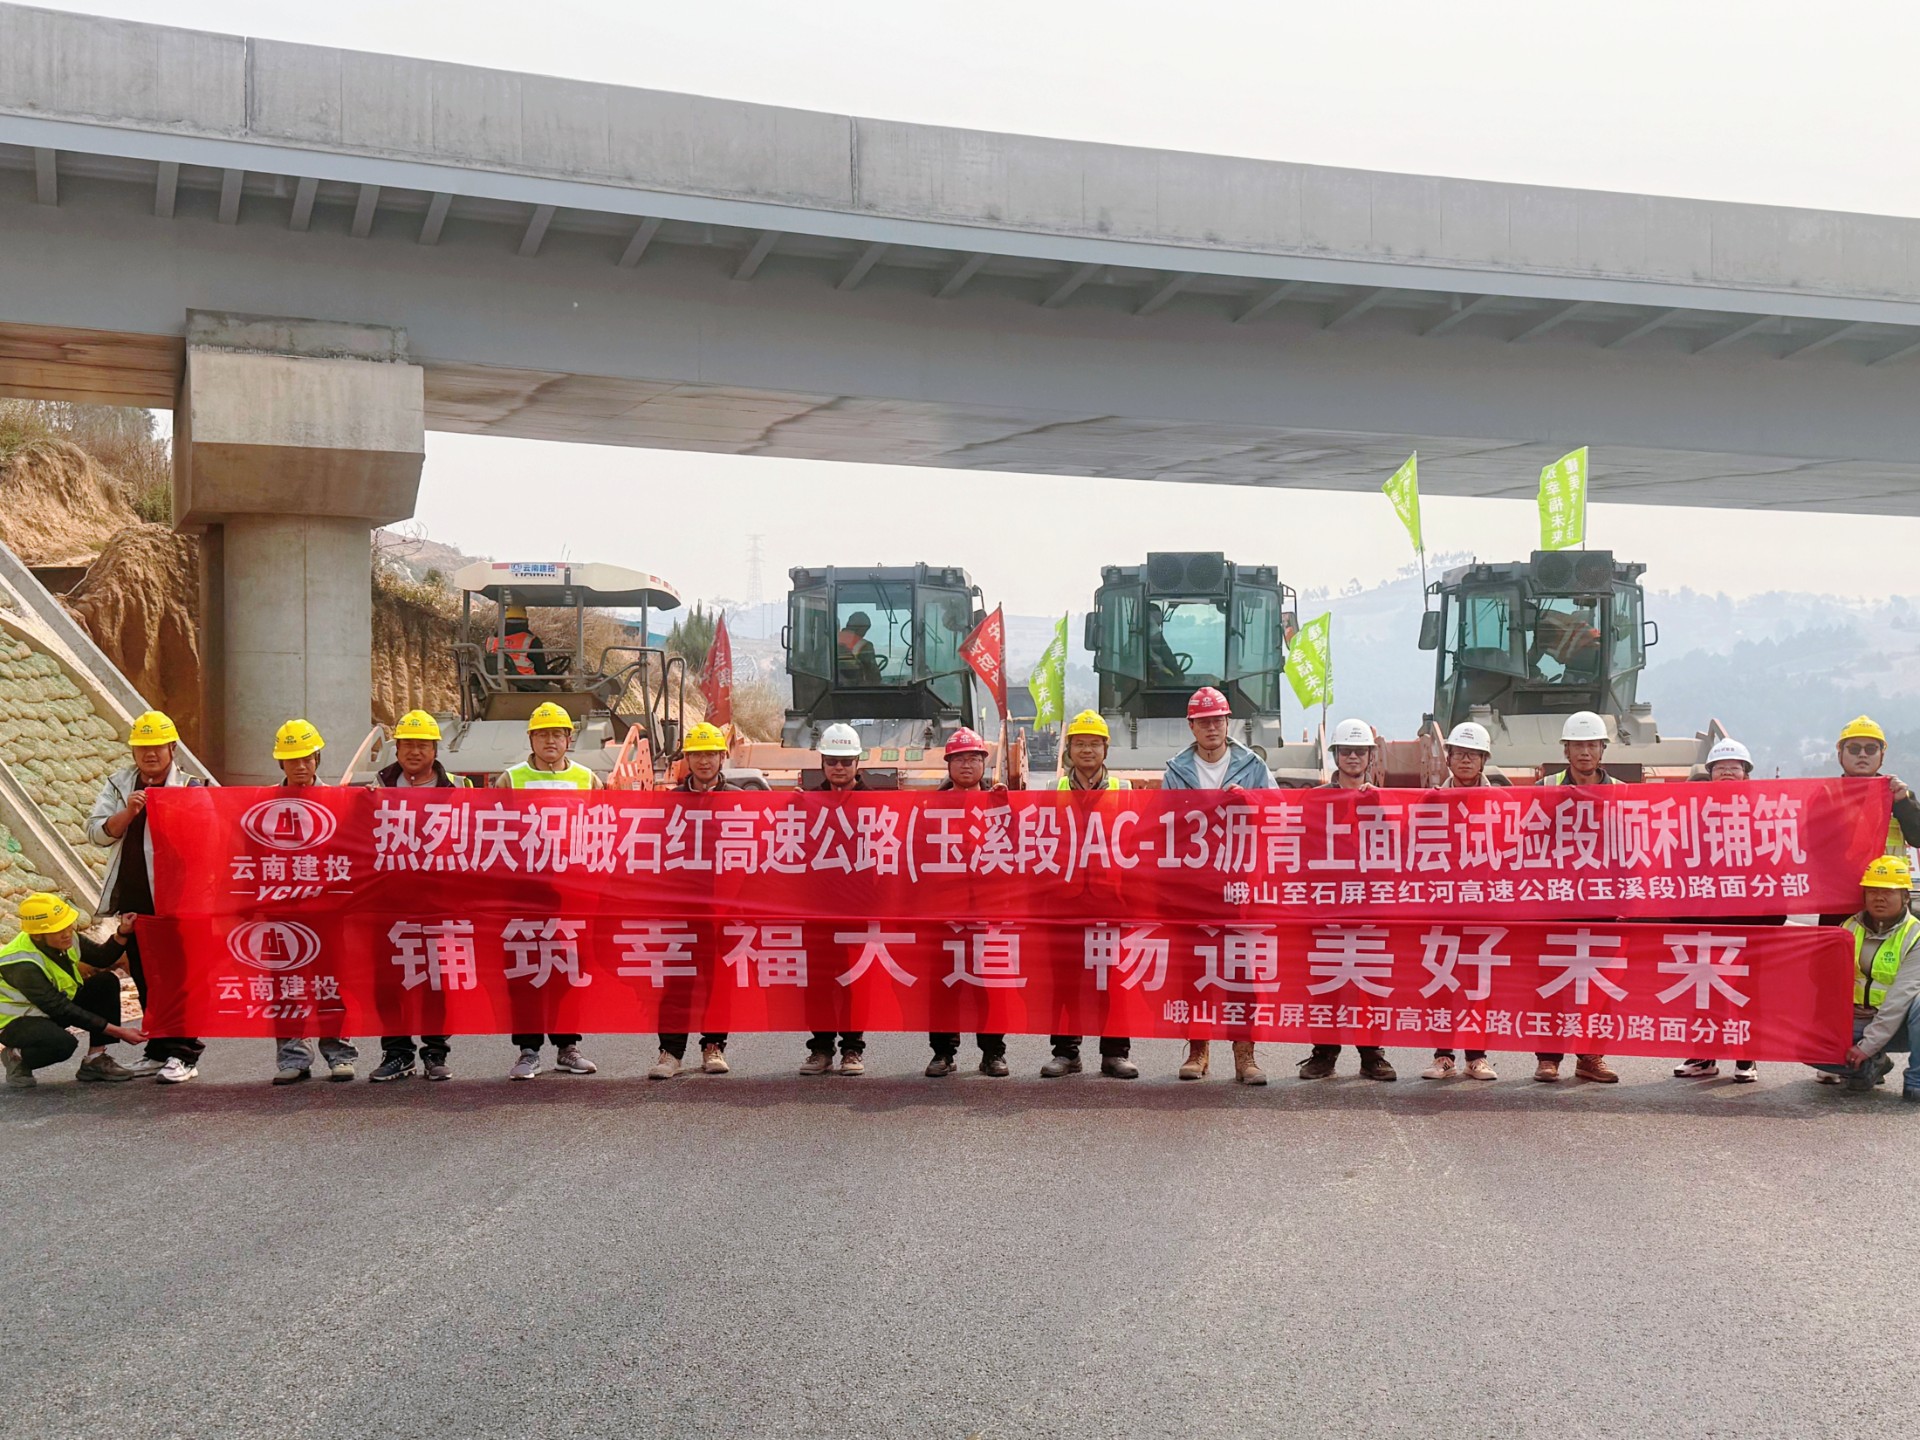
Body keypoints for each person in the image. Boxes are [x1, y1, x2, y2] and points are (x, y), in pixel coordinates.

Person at [86, 709, 209, 1084]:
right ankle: (158, 1050)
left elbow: (209, 838)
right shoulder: (120, 784)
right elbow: (96, 832)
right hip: (135, 903)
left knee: (177, 979)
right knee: (145, 977)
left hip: (176, 902)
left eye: (157, 747)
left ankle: (184, 1054)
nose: (149, 754)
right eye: (142, 747)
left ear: (172, 748)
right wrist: (129, 812)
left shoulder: (191, 788)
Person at [1163, 686, 1272, 1085]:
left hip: (1240, 884)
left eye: (1218, 720)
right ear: (1191, 726)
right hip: (1194, 887)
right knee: (1196, 969)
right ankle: (1198, 1051)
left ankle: (1245, 1057)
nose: (1212, 727)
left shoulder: (1253, 765)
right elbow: (1164, 825)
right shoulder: (1176, 770)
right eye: (1204, 721)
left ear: (1229, 723)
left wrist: (1251, 802)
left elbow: (1278, 813)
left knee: (1242, 972)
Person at [496, 702, 600, 1080]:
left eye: (557, 734)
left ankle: (567, 1046)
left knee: (567, 969)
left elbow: (605, 833)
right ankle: (528, 1050)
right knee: (524, 969)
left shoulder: (589, 779)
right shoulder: (510, 779)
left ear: (569, 739)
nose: (550, 740)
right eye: (543, 734)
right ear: (531, 739)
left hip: (572, 893)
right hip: (524, 892)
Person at [369, 710, 469, 1082]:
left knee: (434, 979)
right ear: (397, 748)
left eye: (422, 745)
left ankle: (435, 1052)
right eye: (407, 744)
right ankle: (396, 1053)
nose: (414, 751)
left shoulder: (458, 790)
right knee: (388, 980)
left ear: (435, 748)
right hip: (387, 902)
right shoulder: (374, 790)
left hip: (437, 903)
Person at [1299, 718, 1398, 1083]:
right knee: (1327, 982)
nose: (1353, 757)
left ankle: (1372, 1055)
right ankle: (1323, 1053)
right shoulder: (1316, 799)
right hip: (1328, 906)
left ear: (1370, 756)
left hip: (1371, 905)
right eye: (1346, 751)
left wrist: (1382, 809)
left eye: (1360, 751)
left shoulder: (1384, 800)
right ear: (1336, 755)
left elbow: (1401, 848)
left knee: (1370, 983)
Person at [1045, 710, 1137, 1079]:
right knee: (1065, 981)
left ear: (1105, 750)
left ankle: (1115, 1052)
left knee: (1111, 980)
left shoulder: (1125, 791)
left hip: (1110, 899)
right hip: (1063, 901)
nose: (1087, 750)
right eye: (1079, 743)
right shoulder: (1054, 791)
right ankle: (1066, 1053)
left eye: (1094, 744)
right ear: (1068, 750)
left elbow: (1139, 847)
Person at [268, 720, 360, 1086]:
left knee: (331, 982)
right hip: (281, 910)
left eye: (306, 758)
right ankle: (292, 1056)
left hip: (328, 911)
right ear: (281, 764)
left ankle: (339, 1053)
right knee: (286, 984)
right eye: (292, 760)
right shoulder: (261, 804)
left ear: (317, 758)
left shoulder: (339, 800)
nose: (300, 766)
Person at [1673, 737, 1768, 1083]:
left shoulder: (1763, 813)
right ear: (1709, 774)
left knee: (1746, 990)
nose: (1728, 772)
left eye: (1735, 767)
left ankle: (1746, 1057)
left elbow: (1778, 863)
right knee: (1703, 989)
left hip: (1748, 920)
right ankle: (1704, 1055)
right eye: (1720, 768)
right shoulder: (1690, 814)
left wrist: (1769, 920)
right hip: (1704, 918)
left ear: (1746, 774)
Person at [1535, 710, 1619, 1083]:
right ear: (1566, 750)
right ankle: (1548, 1057)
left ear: (1602, 750)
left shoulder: (1621, 792)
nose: (1584, 752)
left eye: (1591, 745)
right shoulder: (1544, 787)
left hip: (1602, 901)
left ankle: (1590, 1055)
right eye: (1577, 745)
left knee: (1596, 981)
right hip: (1555, 902)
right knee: (1553, 979)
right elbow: (1525, 840)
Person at [650, 722, 738, 1081]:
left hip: (723, 908)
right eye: (697, 754)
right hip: (681, 907)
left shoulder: (738, 800)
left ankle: (714, 1045)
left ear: (722, 757)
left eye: (711, 754)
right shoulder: (670, 801)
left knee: (717, 980)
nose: (704, 761)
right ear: (687, 758)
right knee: (677, 979)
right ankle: (671, 1051)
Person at [927, 728, 1010, 1078]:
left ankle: (992, 1053)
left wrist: (1007, 807)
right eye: (959, 758)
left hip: (985, 911)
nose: (966, 764)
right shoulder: (930, 807)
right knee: (944, 983)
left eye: (974, 758)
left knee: (986, 984)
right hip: (943, 911)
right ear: (948, 764)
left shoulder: (999, 803)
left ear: (984, 764)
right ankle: (943, 1053)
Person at [0, 893, 145, 1088]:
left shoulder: (67, 939)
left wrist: (123, 932)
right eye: (58, 930)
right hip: (17, 1024)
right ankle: (16, 1056)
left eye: (68, 925)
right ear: (37, 935)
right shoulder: (22, 963)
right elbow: (59, 1008)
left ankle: (95, 1060)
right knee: (62, 1045)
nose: (67, 933)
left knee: (105, 982)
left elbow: (102, 958)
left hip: (50, 1010)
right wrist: (119, 1031)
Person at [1423, 721, 1498, 1082]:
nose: (1466, 760)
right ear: (1448, 758)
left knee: (1477, 981)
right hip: (1443, 905)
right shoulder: (1431, 799)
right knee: (1442, 978)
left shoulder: (1504, 801)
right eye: (1459, 754)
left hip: (1483, 906)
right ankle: (1442, 1055)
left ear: (1484, 760)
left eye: (1473, 755)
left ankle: (1477, 1056)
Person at [1809, 857, 1920, 1099]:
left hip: (1899, 1023)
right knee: (1804, 1046)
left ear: (1905, 897)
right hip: (1856, 1017)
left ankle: (1916, 1080)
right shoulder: (1847, 927)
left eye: (1888, 892)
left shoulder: (1915, 935)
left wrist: (1867, 1045)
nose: (1879, 898)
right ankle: (1869, 1067)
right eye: (1872, 891)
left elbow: (1899, 999)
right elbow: (1824, 982)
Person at [802, 723, 870, 1076]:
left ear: (858, 762)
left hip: (858, 910)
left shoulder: (878, 805)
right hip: (817, 910)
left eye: (845, 760)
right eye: (832, 760)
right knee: (818, 983)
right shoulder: (805, 803)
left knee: (853, 981)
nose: (839, 767)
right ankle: (821, 1048)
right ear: (822, 762)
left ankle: (853, 1050)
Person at [486, 604, 548, 690]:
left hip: (495, 683)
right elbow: (542, 671)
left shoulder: (492, 639)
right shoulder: (532, 640)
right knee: (553, 690)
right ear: (526, 620)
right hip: (526, 684)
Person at [835, 612, 883, 685]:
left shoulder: (832, 640)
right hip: (856, 690)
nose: (864, 634)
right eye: (865, 630)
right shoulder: (865, 646)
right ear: (861, 629)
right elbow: (874, 676)